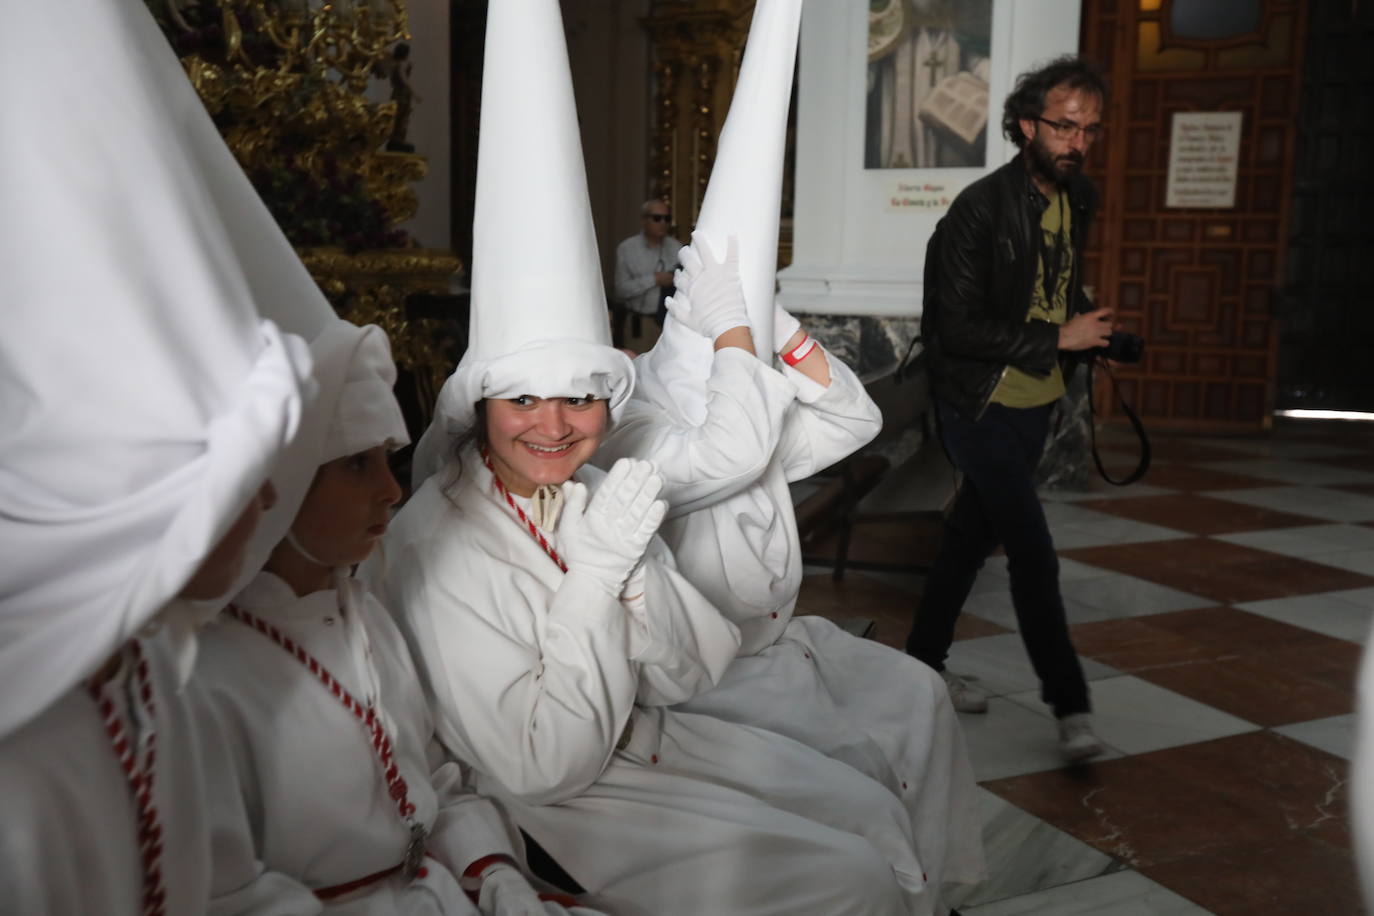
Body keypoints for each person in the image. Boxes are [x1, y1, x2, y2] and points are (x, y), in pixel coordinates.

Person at [379, 2, 933, 913]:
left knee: (872, 810)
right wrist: (600, 580)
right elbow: (543, 762)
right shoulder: (438, 544)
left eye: (579, 399)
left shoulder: (596, 488)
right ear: (478, 408)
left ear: (608, 400)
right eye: (523, 400)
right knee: (852, 873)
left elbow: (690, 666)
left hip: (651, 730)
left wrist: (633, 579)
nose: (554, 426)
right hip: (555, 798)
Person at [594, 7, 984, 911]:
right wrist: (735, 336)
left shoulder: (745, 395)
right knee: (858, 773)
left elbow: (851, 420)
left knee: (920, 698)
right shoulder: (635, 424)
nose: (742, 357)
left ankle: (937, 894)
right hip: (704, 680)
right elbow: (723, 454)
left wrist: (782, 329)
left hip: (780, 645)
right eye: (731, 339)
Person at [0, 1, 315, 911]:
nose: (270, 505)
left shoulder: (145, 676)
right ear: (141, 496)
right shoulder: (20, 780)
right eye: (240, 483)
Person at [191, 325, 603, 915]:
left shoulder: (363, 614)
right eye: (357, 465)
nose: (391, 489)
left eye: (389, 460)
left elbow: (431, 783)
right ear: (283, 482)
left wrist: (495, 874)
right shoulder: (210, 671)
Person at [904, 55, 1114, 762]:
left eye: (1089, 129)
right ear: (1027, 125)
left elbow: (1051, 283)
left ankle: (920, 666)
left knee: (967, 540)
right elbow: (956, 329)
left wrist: (1088, 325)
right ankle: (1071, 707)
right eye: (1064, 126)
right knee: (1031, 550)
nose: (1077, 142)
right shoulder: (978, 209)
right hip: (978, 402)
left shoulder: (1078, 198)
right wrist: (1059, 337)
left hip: (1035, 400)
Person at [612, 199, 682, 334]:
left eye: (667, 219)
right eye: (657, 218)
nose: (663, 223)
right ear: (644, 221)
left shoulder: (677, 248)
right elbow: (620, 290)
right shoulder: (627, 248)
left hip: (672, 324)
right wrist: (654, 280)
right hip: (641, 323)